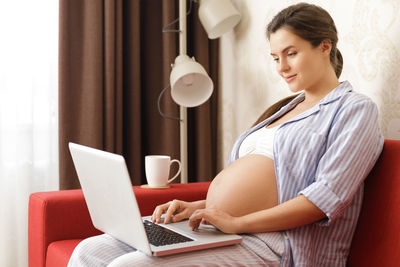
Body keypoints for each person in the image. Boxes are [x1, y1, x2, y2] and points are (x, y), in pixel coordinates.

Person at [68, 3, 383, 266]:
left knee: (130, 265)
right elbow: (265, 187)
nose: (282, 67)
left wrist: (236, 223)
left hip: (278, 244)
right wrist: (198, 207)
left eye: (291, 53)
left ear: (324, 46)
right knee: (89, 252)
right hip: (222, 230)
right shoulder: (286, 108)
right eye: (275, 58)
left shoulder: (355, 110)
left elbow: (321, 201)